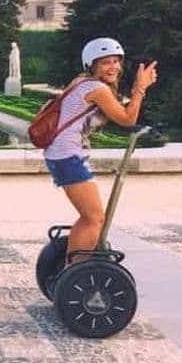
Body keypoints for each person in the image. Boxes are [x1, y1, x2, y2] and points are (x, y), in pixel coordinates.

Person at [44, 37, 157, 263]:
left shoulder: (83, 82)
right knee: (95, 219)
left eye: (116, 61)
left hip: (62, 155)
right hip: (68, 156)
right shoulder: (96, 88)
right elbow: (127, 118)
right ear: (92, 65)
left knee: (90, 217)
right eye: (105, 62)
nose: (113, 66)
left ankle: (71, 271)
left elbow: (118, 111)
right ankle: (74, 273)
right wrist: (140, 88)